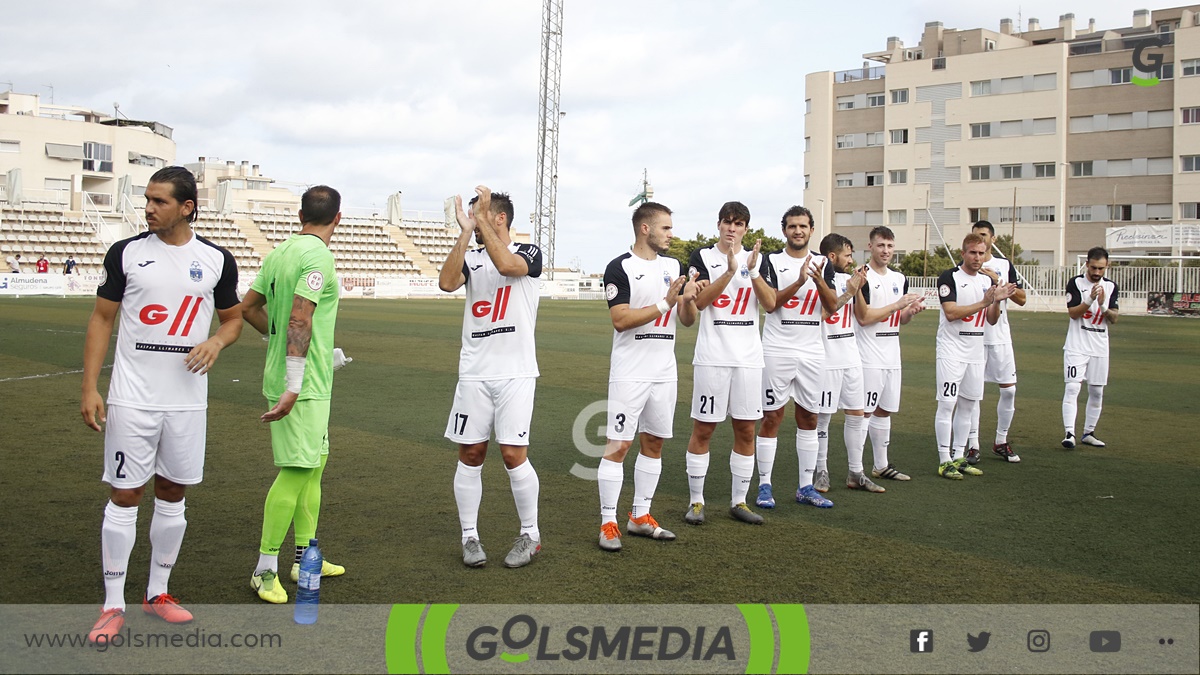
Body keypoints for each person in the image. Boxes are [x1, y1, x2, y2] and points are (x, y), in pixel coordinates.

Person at [80, 166, 242, 644]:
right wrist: (90, 387)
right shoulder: (126, 253)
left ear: (187, 207)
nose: (148, 208)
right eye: (147, 200)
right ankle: (112, 605)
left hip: (188, 404)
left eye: (159, 201)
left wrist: (216, 341)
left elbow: (232, 320)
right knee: (126, 494)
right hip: (133, 399)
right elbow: (101, 320)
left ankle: (158, 593)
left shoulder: (216, 259)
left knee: (173, 492)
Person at [241, 185, 347, 604]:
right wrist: (293, 378)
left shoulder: (278, 253)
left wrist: (281, 344)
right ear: (338, 218)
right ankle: (264, 570)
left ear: (300, 214)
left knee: (315, 465)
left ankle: (305, 558)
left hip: (310, 381)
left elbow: (250, 308)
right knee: (297, 471)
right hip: (301, 387)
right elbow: (301, 319)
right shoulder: (317, 256)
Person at [439, 186, 544, 568]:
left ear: (499, 218)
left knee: (513, 454)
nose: (475, 222)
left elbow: (509, 268)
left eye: (481, 216)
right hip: (474, 373)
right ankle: (470, 537)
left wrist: (480, 220)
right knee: (470, 453)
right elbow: (447, 283)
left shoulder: (529, 253)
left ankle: (530, 533)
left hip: (516, 373)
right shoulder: (471, 255)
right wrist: (466, 232)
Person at [597, 202, 698, 551]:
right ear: (645, 229)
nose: (671, 234)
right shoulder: (619, 267)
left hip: (664, 372)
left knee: (653, 443)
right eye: (666, 228)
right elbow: (620, 320)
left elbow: (686, 321)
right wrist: (667, 303)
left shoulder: (674, 266)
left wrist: (687, 300)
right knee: (619, 445)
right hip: (629, 372)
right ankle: (608, 522)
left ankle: (640, 515)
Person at [683, 201, 772, 525]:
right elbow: (701, 302)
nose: (732, 228)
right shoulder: (702, 258)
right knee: (704, 428)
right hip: (712, 358)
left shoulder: (759, 259)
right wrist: (732, 271)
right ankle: (696, 502)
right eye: (727, 222)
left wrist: (752, 270)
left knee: (746, 430)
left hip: (748, 359)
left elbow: (771, 304)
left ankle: (739, 501)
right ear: (718, 225)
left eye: (738, 223)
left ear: (746, 228)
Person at [753, 206, 838, 510]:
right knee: (772, 416)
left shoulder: (823, 262)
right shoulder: (771, 261)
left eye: (803, 226)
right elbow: (772, 304)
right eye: (792, 226)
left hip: (812, 351)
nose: (798, 231)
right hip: (777, 349)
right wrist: (801, 281)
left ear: (812, 230)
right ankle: (765, 484)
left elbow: (833, 306)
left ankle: (805, 486)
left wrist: (818, 280)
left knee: (809, 418)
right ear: (784, 230)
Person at [933, 233, 1016, 479]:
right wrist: (984, 301)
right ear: (963, 253)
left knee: (969, 405)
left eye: (981, 253)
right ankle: (944, 459)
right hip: (951, 351)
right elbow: (951, 312)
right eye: (972, 252)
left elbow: (991, 319)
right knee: (948, 404)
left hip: (975, 350)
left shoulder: (986, 281)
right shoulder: (950, 277)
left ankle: (959, 456)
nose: (977, 257)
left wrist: (996, 300)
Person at [854, 226, 925, 483]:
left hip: (892, 354)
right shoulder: (861, 277)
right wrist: (898, 305)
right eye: (881, 245)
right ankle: (857, 468)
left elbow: (899, 320)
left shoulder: (898, 278)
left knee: (885, 410)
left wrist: (910, 311)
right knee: (864, 412)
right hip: (868, 355)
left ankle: (881, 465)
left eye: (890, 246)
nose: (886, 251)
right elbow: (864, 318)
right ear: (870, 247)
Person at [812, 234, 881, 495]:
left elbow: (862, 316)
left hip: (852, 357)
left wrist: (858, 288)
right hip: (826, 358)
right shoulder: (820, 278)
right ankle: (821, 471)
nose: (852, 260)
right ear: (832, 256)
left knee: (856, 414)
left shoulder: (853, 280)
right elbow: (823, 313)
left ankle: (856, 472)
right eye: (848, 255)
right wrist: (849, 291)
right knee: (823, 419)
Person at [965, 221, 1026, 464]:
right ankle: (972, 444)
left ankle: (1001, 440)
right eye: (975, 236)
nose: (980, 241)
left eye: (983, 236)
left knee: (1009, 389)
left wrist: (998, 281)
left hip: (1000, 337)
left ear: (992, 238)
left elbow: (1021, 298)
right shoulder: (967, 267)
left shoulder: (1003, 265)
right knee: (973, 394)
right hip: (976, 338)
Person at [1061, 247, 1119, 449]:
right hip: (1077, 346)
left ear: (1107, 266)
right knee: (1072, 387)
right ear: (1086, 264)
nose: (1096, 272)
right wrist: (1089, 300)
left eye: (1101, 268)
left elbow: (1114, 318)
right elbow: (1073, 313)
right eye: (1093, 267)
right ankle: (1069, 433)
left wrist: (1103, 305)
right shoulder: (1075, 283)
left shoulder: (1111, 287)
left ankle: (1089, 433)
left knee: (1097, 392)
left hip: (1100, 347)